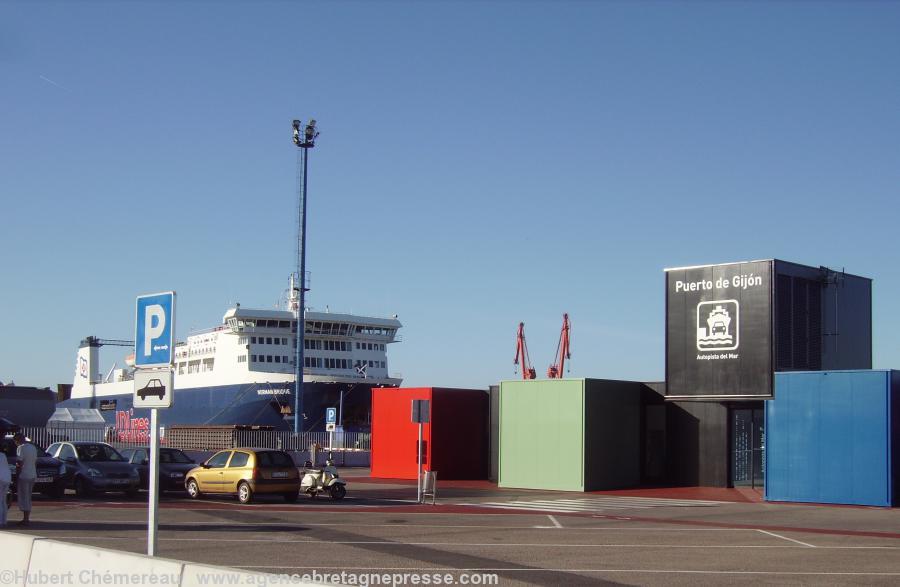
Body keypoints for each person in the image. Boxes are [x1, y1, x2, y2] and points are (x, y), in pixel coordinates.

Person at [14, 433, 36, 526]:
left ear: (17, 440)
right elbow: (35, 461)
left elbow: (19, 462)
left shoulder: (21, 448)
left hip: (24, 475)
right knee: (28, 496)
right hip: (32, 474)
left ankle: (25, 519)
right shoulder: (33, 447)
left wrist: (17, 475)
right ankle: (27, 517)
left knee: (24, 496)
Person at [0, 450, 11, 527]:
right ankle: (4, 520)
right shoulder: (3, 455)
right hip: (7, 478)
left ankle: (0, 521)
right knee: (3, 500)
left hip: (0, 478)